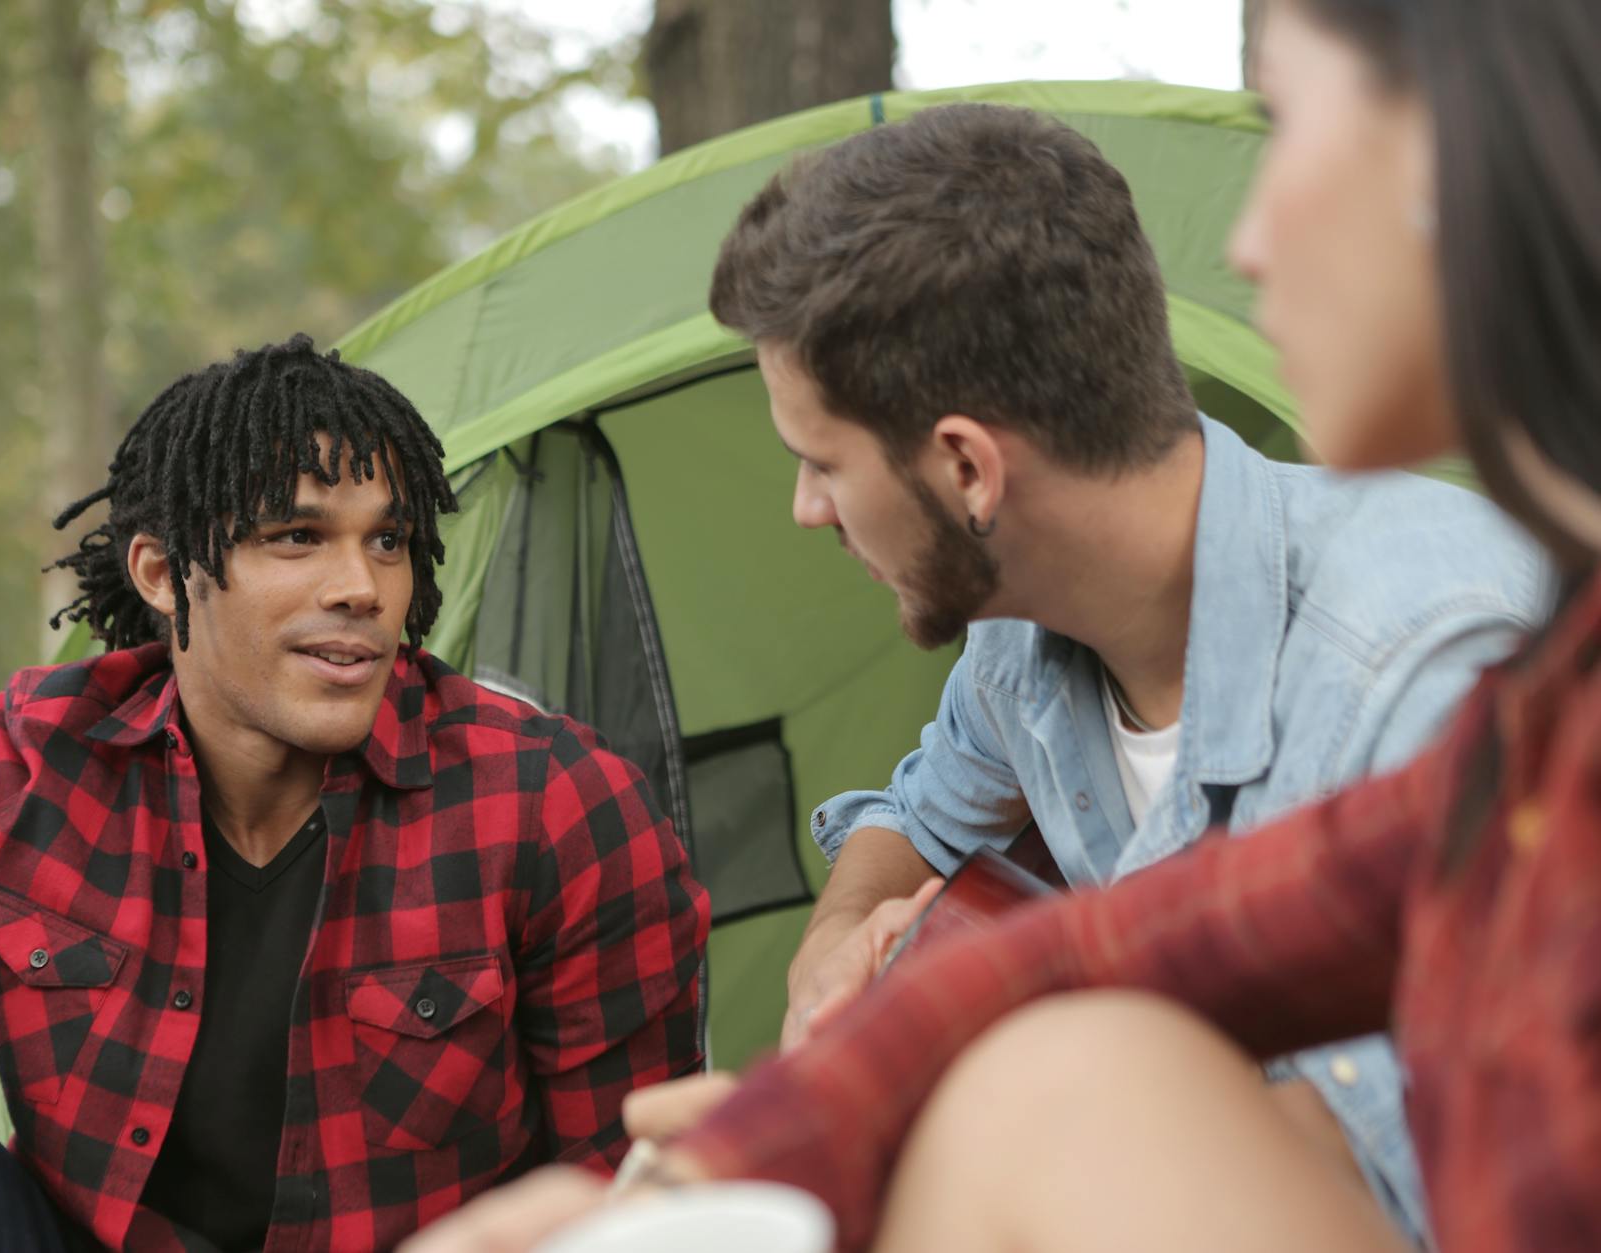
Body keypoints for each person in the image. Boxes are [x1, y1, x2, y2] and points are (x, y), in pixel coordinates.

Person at [403, 0, 1601, 1249]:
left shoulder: (1428, 658)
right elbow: (1087, 954)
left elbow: (1420, 1183)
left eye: (1289, 127)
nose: (1243, 243)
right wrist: (712, 1164)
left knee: (1046, 1086)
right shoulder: (1533, 721)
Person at [0, 333, 710, 1252]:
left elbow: (636, 1195)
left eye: (387, 540)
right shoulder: (24, 760)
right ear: (159, 571)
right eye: (296, 535)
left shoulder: (558, 804)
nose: (361, 586)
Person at [752, 95, 1538, 1242]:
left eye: (819, 461)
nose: (804, 509)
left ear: (967, 468)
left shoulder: (1425, 679)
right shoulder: (1016, 639)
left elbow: (1436, 1195)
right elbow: (914, 818)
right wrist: (842, 947)